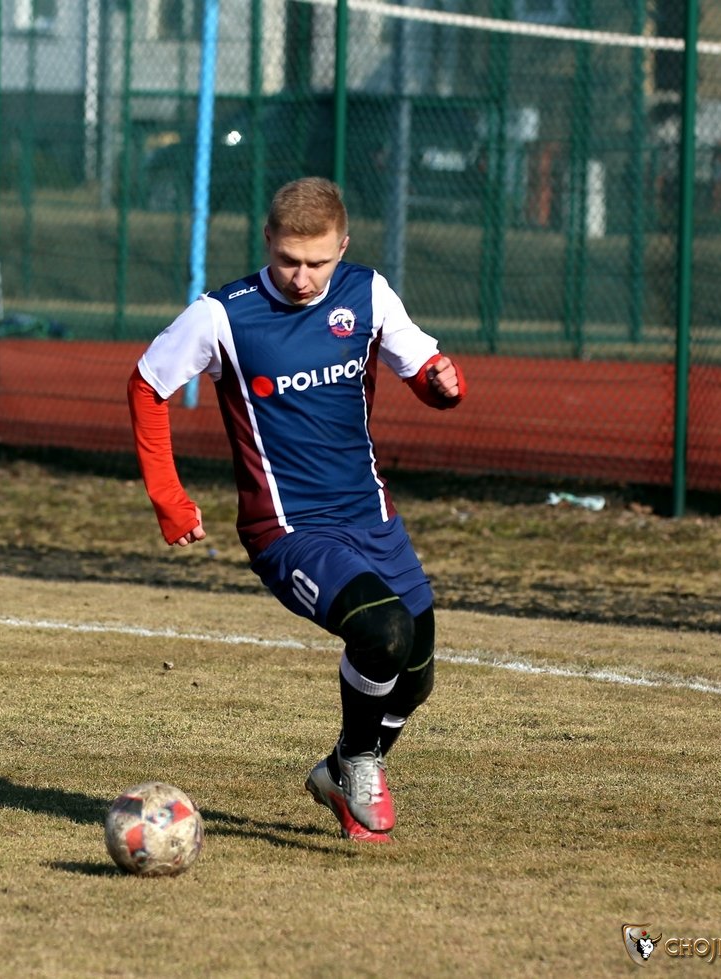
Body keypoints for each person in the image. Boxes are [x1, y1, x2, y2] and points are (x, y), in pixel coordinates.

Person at [126, 176, 466, 843]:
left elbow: (422, 366)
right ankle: (360, 760)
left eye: (317, 262)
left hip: (371, 517)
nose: (302, 278)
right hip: (287, 530)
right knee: (383, 634)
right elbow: (147, 384)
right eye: (288, 260)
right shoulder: (223, 315)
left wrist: (442, 385)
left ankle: (339, 770)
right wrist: (169, 496)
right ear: (267, 242)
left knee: (416, 671)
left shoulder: (367, 293)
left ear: (343, 246)